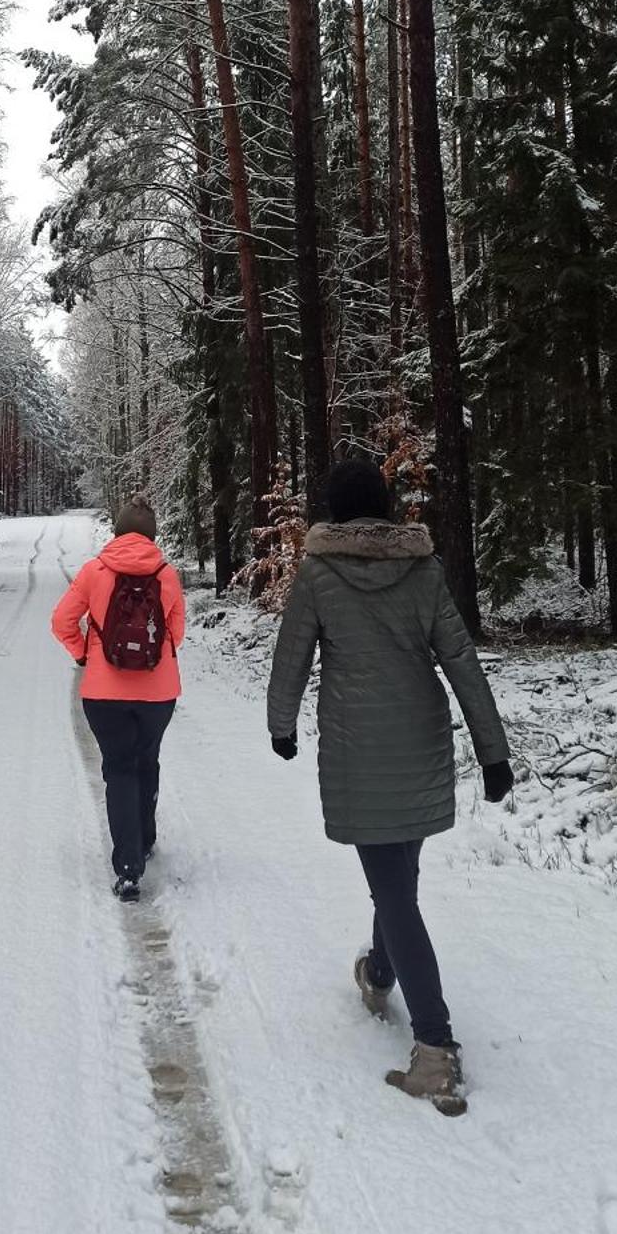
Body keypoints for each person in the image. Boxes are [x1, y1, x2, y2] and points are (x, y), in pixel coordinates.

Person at [266, 456, 513, 1117]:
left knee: (394, 891)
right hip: (420, 741)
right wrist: (492, 753)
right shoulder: (422, 570)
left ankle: (434, 1050)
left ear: (336, 511)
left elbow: (291, 654)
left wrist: (280, 725)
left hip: (357, 748)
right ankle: (378, 975)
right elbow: (459, 660)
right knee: (396, 878)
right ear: (383, 506)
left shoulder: (318, 573)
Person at [52, 498, 186, 901]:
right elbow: (175, 634)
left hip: (103, 694)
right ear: (153, 534)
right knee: (147, 760)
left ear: (117, 531)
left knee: (119, 769)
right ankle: (144, 839)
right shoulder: (168, 576)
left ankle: (129, 868)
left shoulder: (95, 572)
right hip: (159, 694)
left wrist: (85, 655)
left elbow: (61, 622)